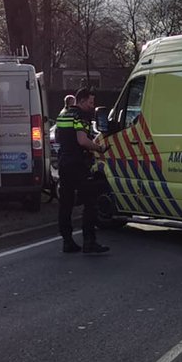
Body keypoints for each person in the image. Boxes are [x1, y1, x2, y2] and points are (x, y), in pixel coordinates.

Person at [55, 86, 110, 254]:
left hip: (64, 163)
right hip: (78, 164)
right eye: (91, 102)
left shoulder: (62, 114)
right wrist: (99, 148)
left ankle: (67, 241)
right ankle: (89, 241)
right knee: (90, 201)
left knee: (66, 204)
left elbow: (58, 137)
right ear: (81, 101)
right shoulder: (81, 115)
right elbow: (82, 140)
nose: (92, 106)